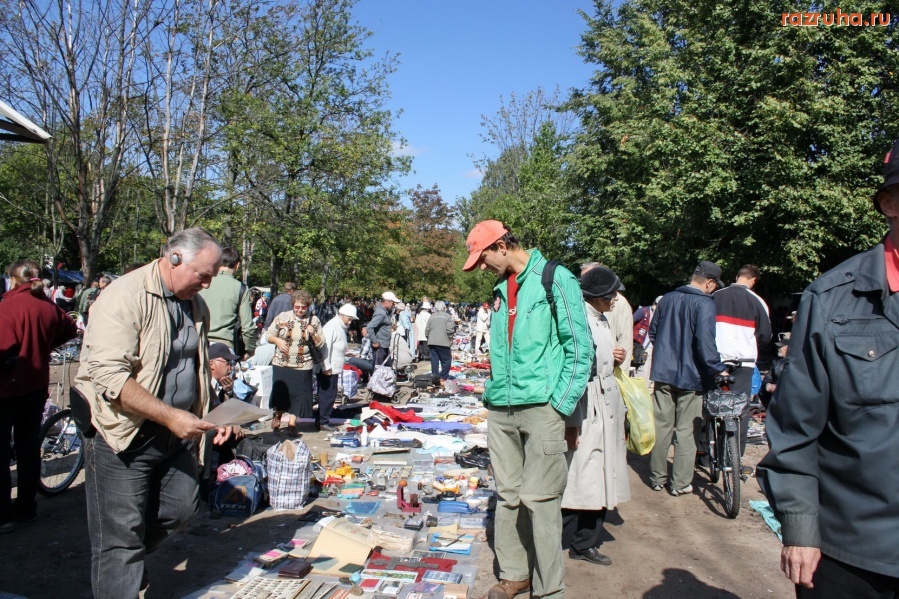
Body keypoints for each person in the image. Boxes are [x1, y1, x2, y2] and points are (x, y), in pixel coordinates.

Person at [757, 139, 899, 596]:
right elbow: (796, 427)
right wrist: (800, 529)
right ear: (889, 203)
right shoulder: (834, 299)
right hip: (852, 548)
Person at [72, 228, 238, 598]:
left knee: (181, 509)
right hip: (122, 435)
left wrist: (214, 419)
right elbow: (109, 375)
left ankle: (122, 561)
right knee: (120, 537)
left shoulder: (196, 304)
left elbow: (194, 368)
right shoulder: (123, 296)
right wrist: (168, 416)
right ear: (175, 258)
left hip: (174, 433)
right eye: (204, 275)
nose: (208, 284)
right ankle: (120, 567)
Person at [462, 220, 592, 599]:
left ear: (501, 246)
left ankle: (549, 589)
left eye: (482, 257)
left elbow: (579, 348)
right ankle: (514, 575)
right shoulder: (501, 290)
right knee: (507, 495)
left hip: (542, 408)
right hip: (501, 408)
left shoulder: (555, 278)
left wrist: (561, 407)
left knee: (541, 499)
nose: (482, 266)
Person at [0, 260, 78, 534]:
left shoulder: (8, 307)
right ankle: (26, 508)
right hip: (35, 385)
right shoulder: (47, 307)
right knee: (28, 447)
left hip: (7, 387)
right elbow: (70, 329)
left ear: (13, 279)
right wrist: (43, 347)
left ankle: (5, 514)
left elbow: (2, 348)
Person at [562, 266, 631, 566]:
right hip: (588, 406)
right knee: (582, 477)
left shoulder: (601, 319)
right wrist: (572, 421)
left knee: (600, 477)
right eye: (611, 295)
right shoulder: (580, 321)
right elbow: (575, 370)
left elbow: (602, 357)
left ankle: (585, 541)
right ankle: (565, 538)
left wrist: (616, 357)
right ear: (598, 297)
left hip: (606, 405)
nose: (616, 300)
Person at [648, 260, 727, 496]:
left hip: (663, 374)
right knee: (686, 431)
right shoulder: (705, 303)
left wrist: (666, 356)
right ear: (710, 282)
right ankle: (680, 483)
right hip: (692, 378)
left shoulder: (667, 299)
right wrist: (717, 368)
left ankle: (656, 478)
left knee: (661, 427)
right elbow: (706, 342)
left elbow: (653, 333)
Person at [713, 264, 772, 456]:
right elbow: (764, 335)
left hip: (716, 360)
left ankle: (706, 452)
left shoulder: (715, 296)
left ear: (737, 276)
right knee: (740, 410)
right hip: (744, 362)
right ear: (753, 280)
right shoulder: (757, 301)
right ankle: (734, 456)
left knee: (711, 404)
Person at [266, 289, 325, 436]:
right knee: (281, 394)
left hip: (303, 364)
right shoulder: (283, 317)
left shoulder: (314, 321)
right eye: (297, 306)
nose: (300, 310)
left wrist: (314, 334)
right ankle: (278, 414)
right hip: (282, 363)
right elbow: (268, 334)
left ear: (308, 307)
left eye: (303, 307)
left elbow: (321, 343)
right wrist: (277, 340)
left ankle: (292, 423)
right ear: (293, 305)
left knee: (299, 395)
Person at [198, 247, 256, 358]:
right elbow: (247, 327)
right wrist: (250, 350)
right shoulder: (241, 288)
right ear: (237, 265)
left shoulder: (202, 282)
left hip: (200, 343)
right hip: (224, 347)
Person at [581, 262, 634, 368]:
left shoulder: (618, 305)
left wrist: (619, 362)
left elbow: (625, 341)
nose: (617, 297)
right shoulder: (581, 317)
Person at [318, 303, 358, 431]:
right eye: (349, 319)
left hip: (332, 368)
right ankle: (323, 421)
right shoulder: (332, 326)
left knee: (330, 394)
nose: (350, 322)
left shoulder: (338, 326)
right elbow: (326, 348)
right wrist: (326, 366)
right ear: (341, 315)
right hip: (328, 368)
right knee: (328, 395)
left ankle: (323, 419)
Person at [425, 301, 455, 380]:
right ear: (444, 307)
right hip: (443, 342)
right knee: (446, 361)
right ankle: (443, 377)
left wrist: (429, 338)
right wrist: (450, 338)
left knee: (434, 361)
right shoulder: (447, 316)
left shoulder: (432, 316)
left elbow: (427, 330)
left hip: (432, 342)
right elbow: (450, 330)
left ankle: (435, 377)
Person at [367, 291, 399, 367]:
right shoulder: (381, 313)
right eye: (393, 303)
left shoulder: (385, 312)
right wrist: (375, 341)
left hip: (384, 345)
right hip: (380, 346)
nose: (393, 305)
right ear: (387, 302)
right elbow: (370, 327)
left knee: (387, 368)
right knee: (378, 370)